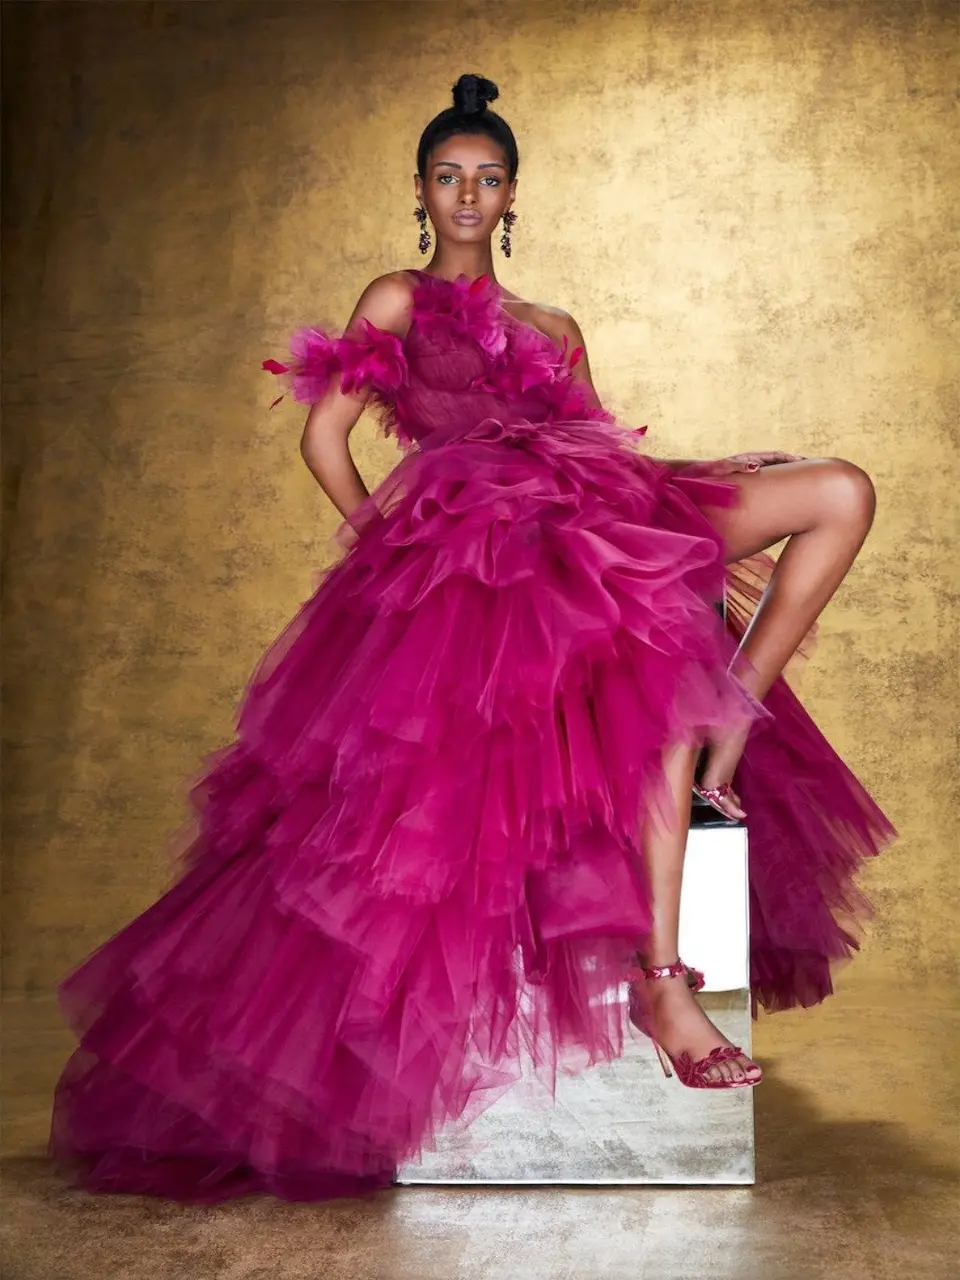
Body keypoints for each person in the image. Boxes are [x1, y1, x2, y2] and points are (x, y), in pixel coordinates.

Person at [50, 74, 895, 1203]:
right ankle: (662, 981)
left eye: (487, 179)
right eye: (447, 177)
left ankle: (726, 733)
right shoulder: (397, 300)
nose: (466, 195)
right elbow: (324, 436)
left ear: (510, 197)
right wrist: (388, 550)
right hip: (478, 554)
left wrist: (706, 469)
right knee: (649, 658)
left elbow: (600, 448)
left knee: (839, 491)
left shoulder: (554, 327)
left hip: (588, 515)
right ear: (420, 191)